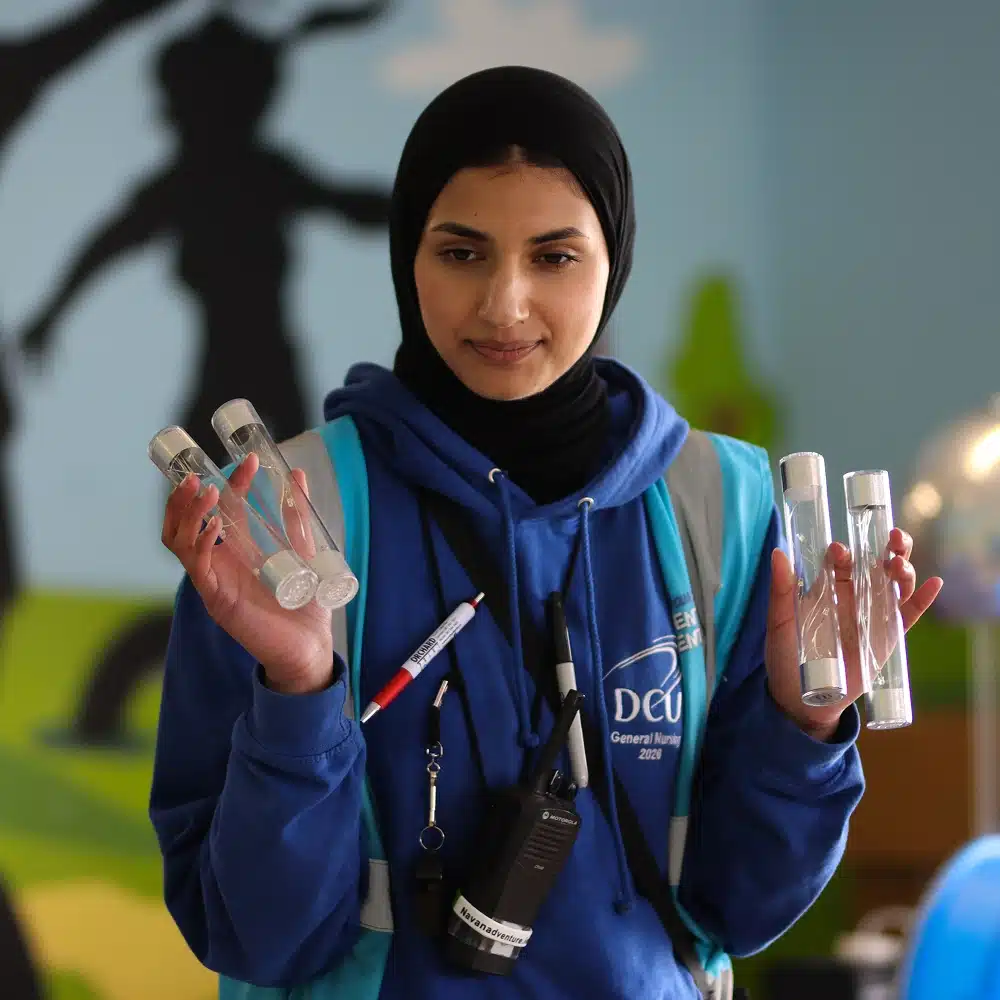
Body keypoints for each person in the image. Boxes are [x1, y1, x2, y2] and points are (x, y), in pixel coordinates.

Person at [150, 66, 942, 1000]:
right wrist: (300, 690)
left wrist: (805, 726)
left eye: (555, 256)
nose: (505, 306)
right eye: (463, 253)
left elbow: (740, 908)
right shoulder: (285, 519)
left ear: (617, 260)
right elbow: (257, 938)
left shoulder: (722, 507)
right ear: (410, 256)